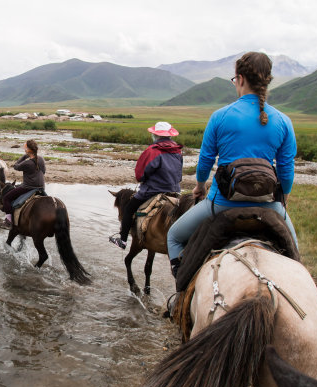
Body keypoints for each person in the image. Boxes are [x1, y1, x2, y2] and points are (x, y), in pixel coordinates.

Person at [166, 51, 299, 287]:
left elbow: (206, 161)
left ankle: (182, 293)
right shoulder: (283, 121)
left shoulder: (220, 116)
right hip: (269, 205)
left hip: (222, 204)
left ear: (239, 79)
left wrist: (199, 187)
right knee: (295, 257)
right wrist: (282, 199)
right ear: (267, 80)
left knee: (174, 236)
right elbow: (287, 169)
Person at [109, 122, 183, 249]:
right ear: (170, 135)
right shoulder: (178, 151)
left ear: (155, 135)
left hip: (152, 191)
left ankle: (123, 240)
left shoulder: (152, 151)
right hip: (174, 191)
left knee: (128, 209)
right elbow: (179, 174)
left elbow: (140, 175)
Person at [0, 139, 46, 229]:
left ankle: (8, 222)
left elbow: (16, 166)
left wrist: (24, 156)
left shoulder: (27, 163)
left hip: (28, 187)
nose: (24, 149)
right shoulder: (41, 159)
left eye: (25, 148)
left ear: (28, 150)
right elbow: (43, 172)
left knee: (6, 198)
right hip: (41, 186)